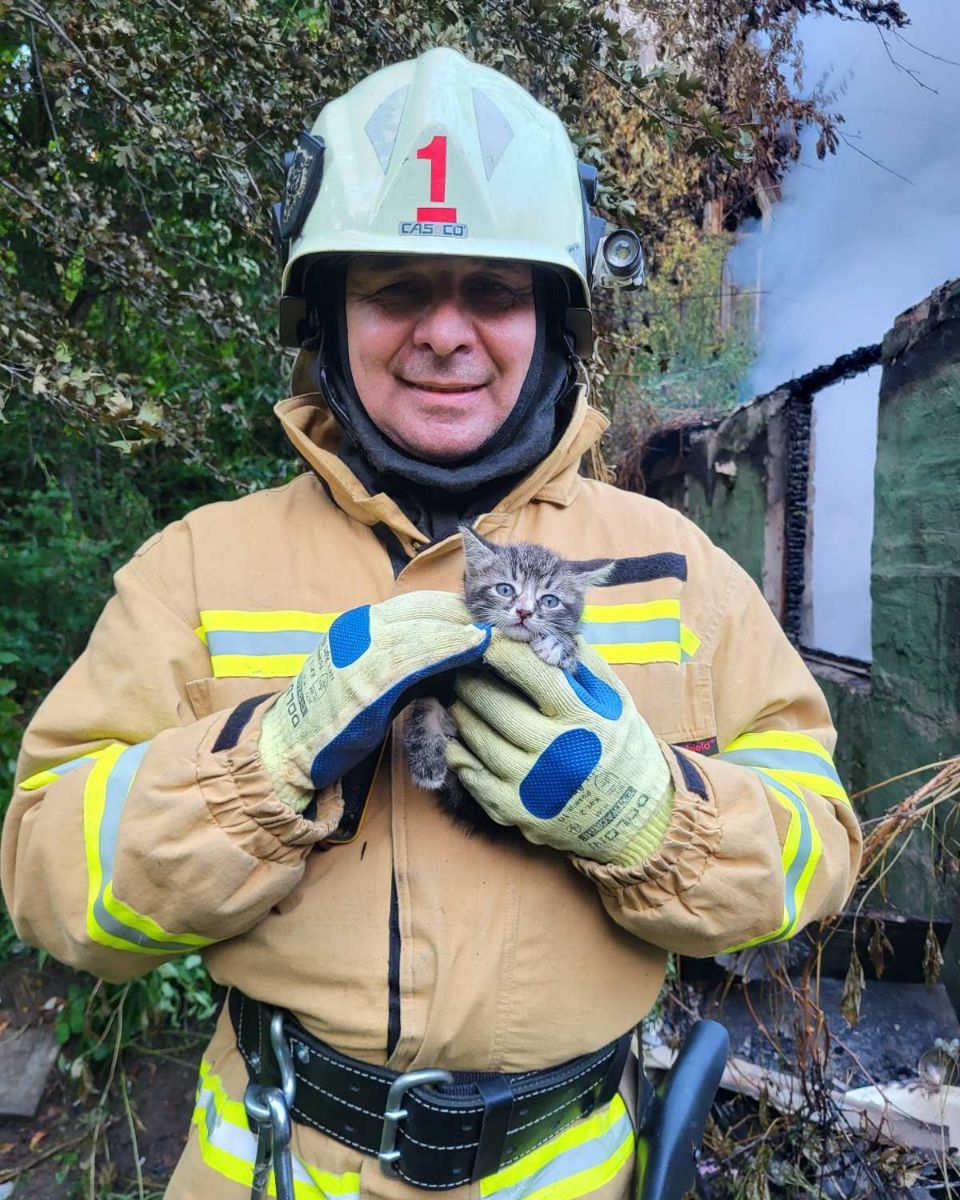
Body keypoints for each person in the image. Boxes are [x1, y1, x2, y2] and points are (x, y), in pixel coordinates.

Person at [1, 47, 860, 1200]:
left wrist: (662, 818)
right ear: (331, 319)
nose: (446, 333)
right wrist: (256, 769)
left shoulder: (679, 570)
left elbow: (820, 842)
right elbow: (52, 882)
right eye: (397, 287)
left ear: (559, 320)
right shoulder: (198, 571)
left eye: (496, 290)